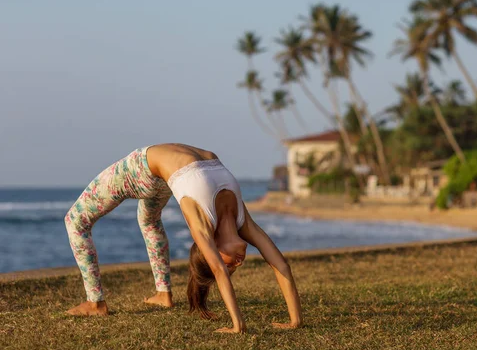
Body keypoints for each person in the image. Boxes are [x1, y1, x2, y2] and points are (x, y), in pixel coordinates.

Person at [64, 143, 302, 333]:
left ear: (211, 250)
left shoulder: (200, 223)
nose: (239, 262)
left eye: (230, 264)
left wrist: (237, 324)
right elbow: (280, 264)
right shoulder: (244, 221)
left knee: (75, 221)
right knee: (149, 221)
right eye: (234, 265)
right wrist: (295, 321)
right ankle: (163, 294)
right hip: (165, 178)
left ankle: (96, 302)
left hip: (140, 168)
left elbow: (218, 271)